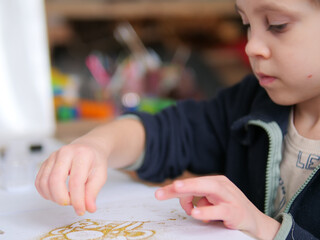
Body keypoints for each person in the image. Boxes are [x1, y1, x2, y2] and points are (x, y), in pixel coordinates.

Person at [35, 0, 320, 239]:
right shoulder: (248, 103)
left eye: (277, 24)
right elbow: (169, 131)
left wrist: (262, 227)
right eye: (247, 25)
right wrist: (97, 145)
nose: (251, 46)